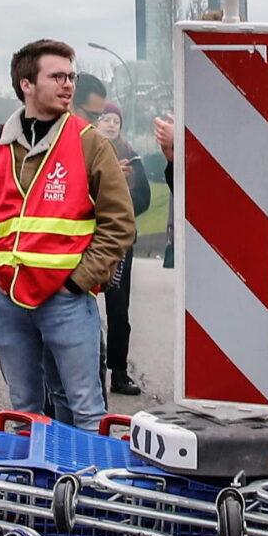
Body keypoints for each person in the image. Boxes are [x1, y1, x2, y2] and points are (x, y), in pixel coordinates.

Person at [0, 40, 136, 427]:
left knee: (84, 410)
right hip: (6, 298)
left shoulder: (90, 143)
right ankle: (36, 485)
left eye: (71, 76)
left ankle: (85, 486)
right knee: (24, 412)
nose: (68, 84)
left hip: (66, 298)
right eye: (57, 76)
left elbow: (119, 223)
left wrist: (79, 282)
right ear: (26, 84)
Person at [93, 105, 151, 399]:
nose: (112, 124)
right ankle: (90, 371)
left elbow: (144, 199)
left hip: (120, 244)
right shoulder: (84, 148)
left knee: (118, 310)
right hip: (86, 240)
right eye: (107, 119)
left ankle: (118, 372)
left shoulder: (132, 155)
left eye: (117, 120)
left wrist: (119, 198)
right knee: (83, 308)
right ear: (96, 122)